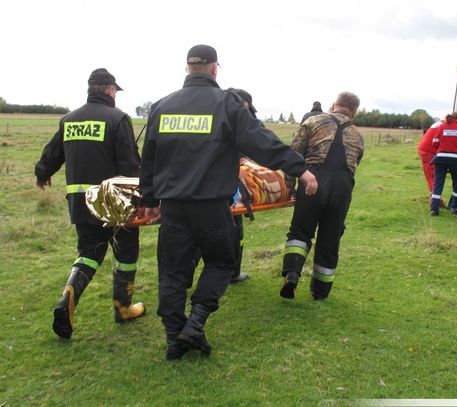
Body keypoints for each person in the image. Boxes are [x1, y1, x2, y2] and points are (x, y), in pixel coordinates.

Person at [139, 44, 318, 360]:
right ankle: (194, 324)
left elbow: (149, 158)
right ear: (214, 68)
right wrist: (299, 169)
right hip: (212, 207)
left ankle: (173, 337)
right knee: (222, 262)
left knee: (172, 271)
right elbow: (263, 143)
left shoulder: (162, 107)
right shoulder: (227, 105)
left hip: (173, 208)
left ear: (187, 68)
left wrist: (150, 199)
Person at [35, 68, 146, 340]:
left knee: (89, 254)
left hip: (80, 202)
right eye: (115, 91)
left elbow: (51, 154)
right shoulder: (117, 118)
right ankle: (123, 308)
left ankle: (67, 299)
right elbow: (129, 164)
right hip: (115, 202)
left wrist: (42, 173)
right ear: (109, 90)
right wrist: (141, 197)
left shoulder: (69, 119)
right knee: (127, 253)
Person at [280, 92, 364, 301]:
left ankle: (292, 274)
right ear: (354, 111)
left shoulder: (313, 122)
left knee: (300, 231)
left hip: (312, 181)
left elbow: (293, 155)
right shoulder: (358, 135)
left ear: (334, 104)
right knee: (330, 238)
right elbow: (356, 163)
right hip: (342, 188)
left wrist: (289, 187)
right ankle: (320, 292)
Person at [188, 87, 257, 285]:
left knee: (221, 231)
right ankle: (228, 272)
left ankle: (229, 271)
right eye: (245, 107)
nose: (246, 112)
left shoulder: (215, 115)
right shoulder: (228, 120)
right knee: (221, 231)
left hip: (209, 186)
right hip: (220, 188)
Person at [430, 112, 457, 216]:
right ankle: (455, 208)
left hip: (441, 159)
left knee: (438, 183)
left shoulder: (442, 127)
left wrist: (441, 149)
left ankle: (434, 209)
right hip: (456, 161)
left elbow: (434, 142)